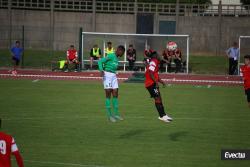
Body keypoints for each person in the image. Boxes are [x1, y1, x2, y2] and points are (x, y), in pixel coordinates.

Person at [98, 45, 125, 122]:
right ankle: (109, 115)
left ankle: (116, 114)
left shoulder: (116, 59)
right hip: (107, 75)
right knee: (108, 93)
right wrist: (101, 70)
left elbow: (112, 66)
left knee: (116, 93)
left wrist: (115, 71)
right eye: (122, 52)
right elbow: (100, 61)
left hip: (113, 76)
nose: (123, 54)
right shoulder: (111, 55)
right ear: (119, 50)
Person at [145, 51, 173, 123]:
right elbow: (150, 73)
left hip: (153, 83)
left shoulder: (155, 61)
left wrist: (161, 81)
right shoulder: (154, 61)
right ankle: (161, 116)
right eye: (157, 55)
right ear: (155, 56)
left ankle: (163, 115)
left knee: (159, 98)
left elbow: (155, 74)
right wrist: (156, 82)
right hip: (150, 84)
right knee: (157, 98)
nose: (159, 55)